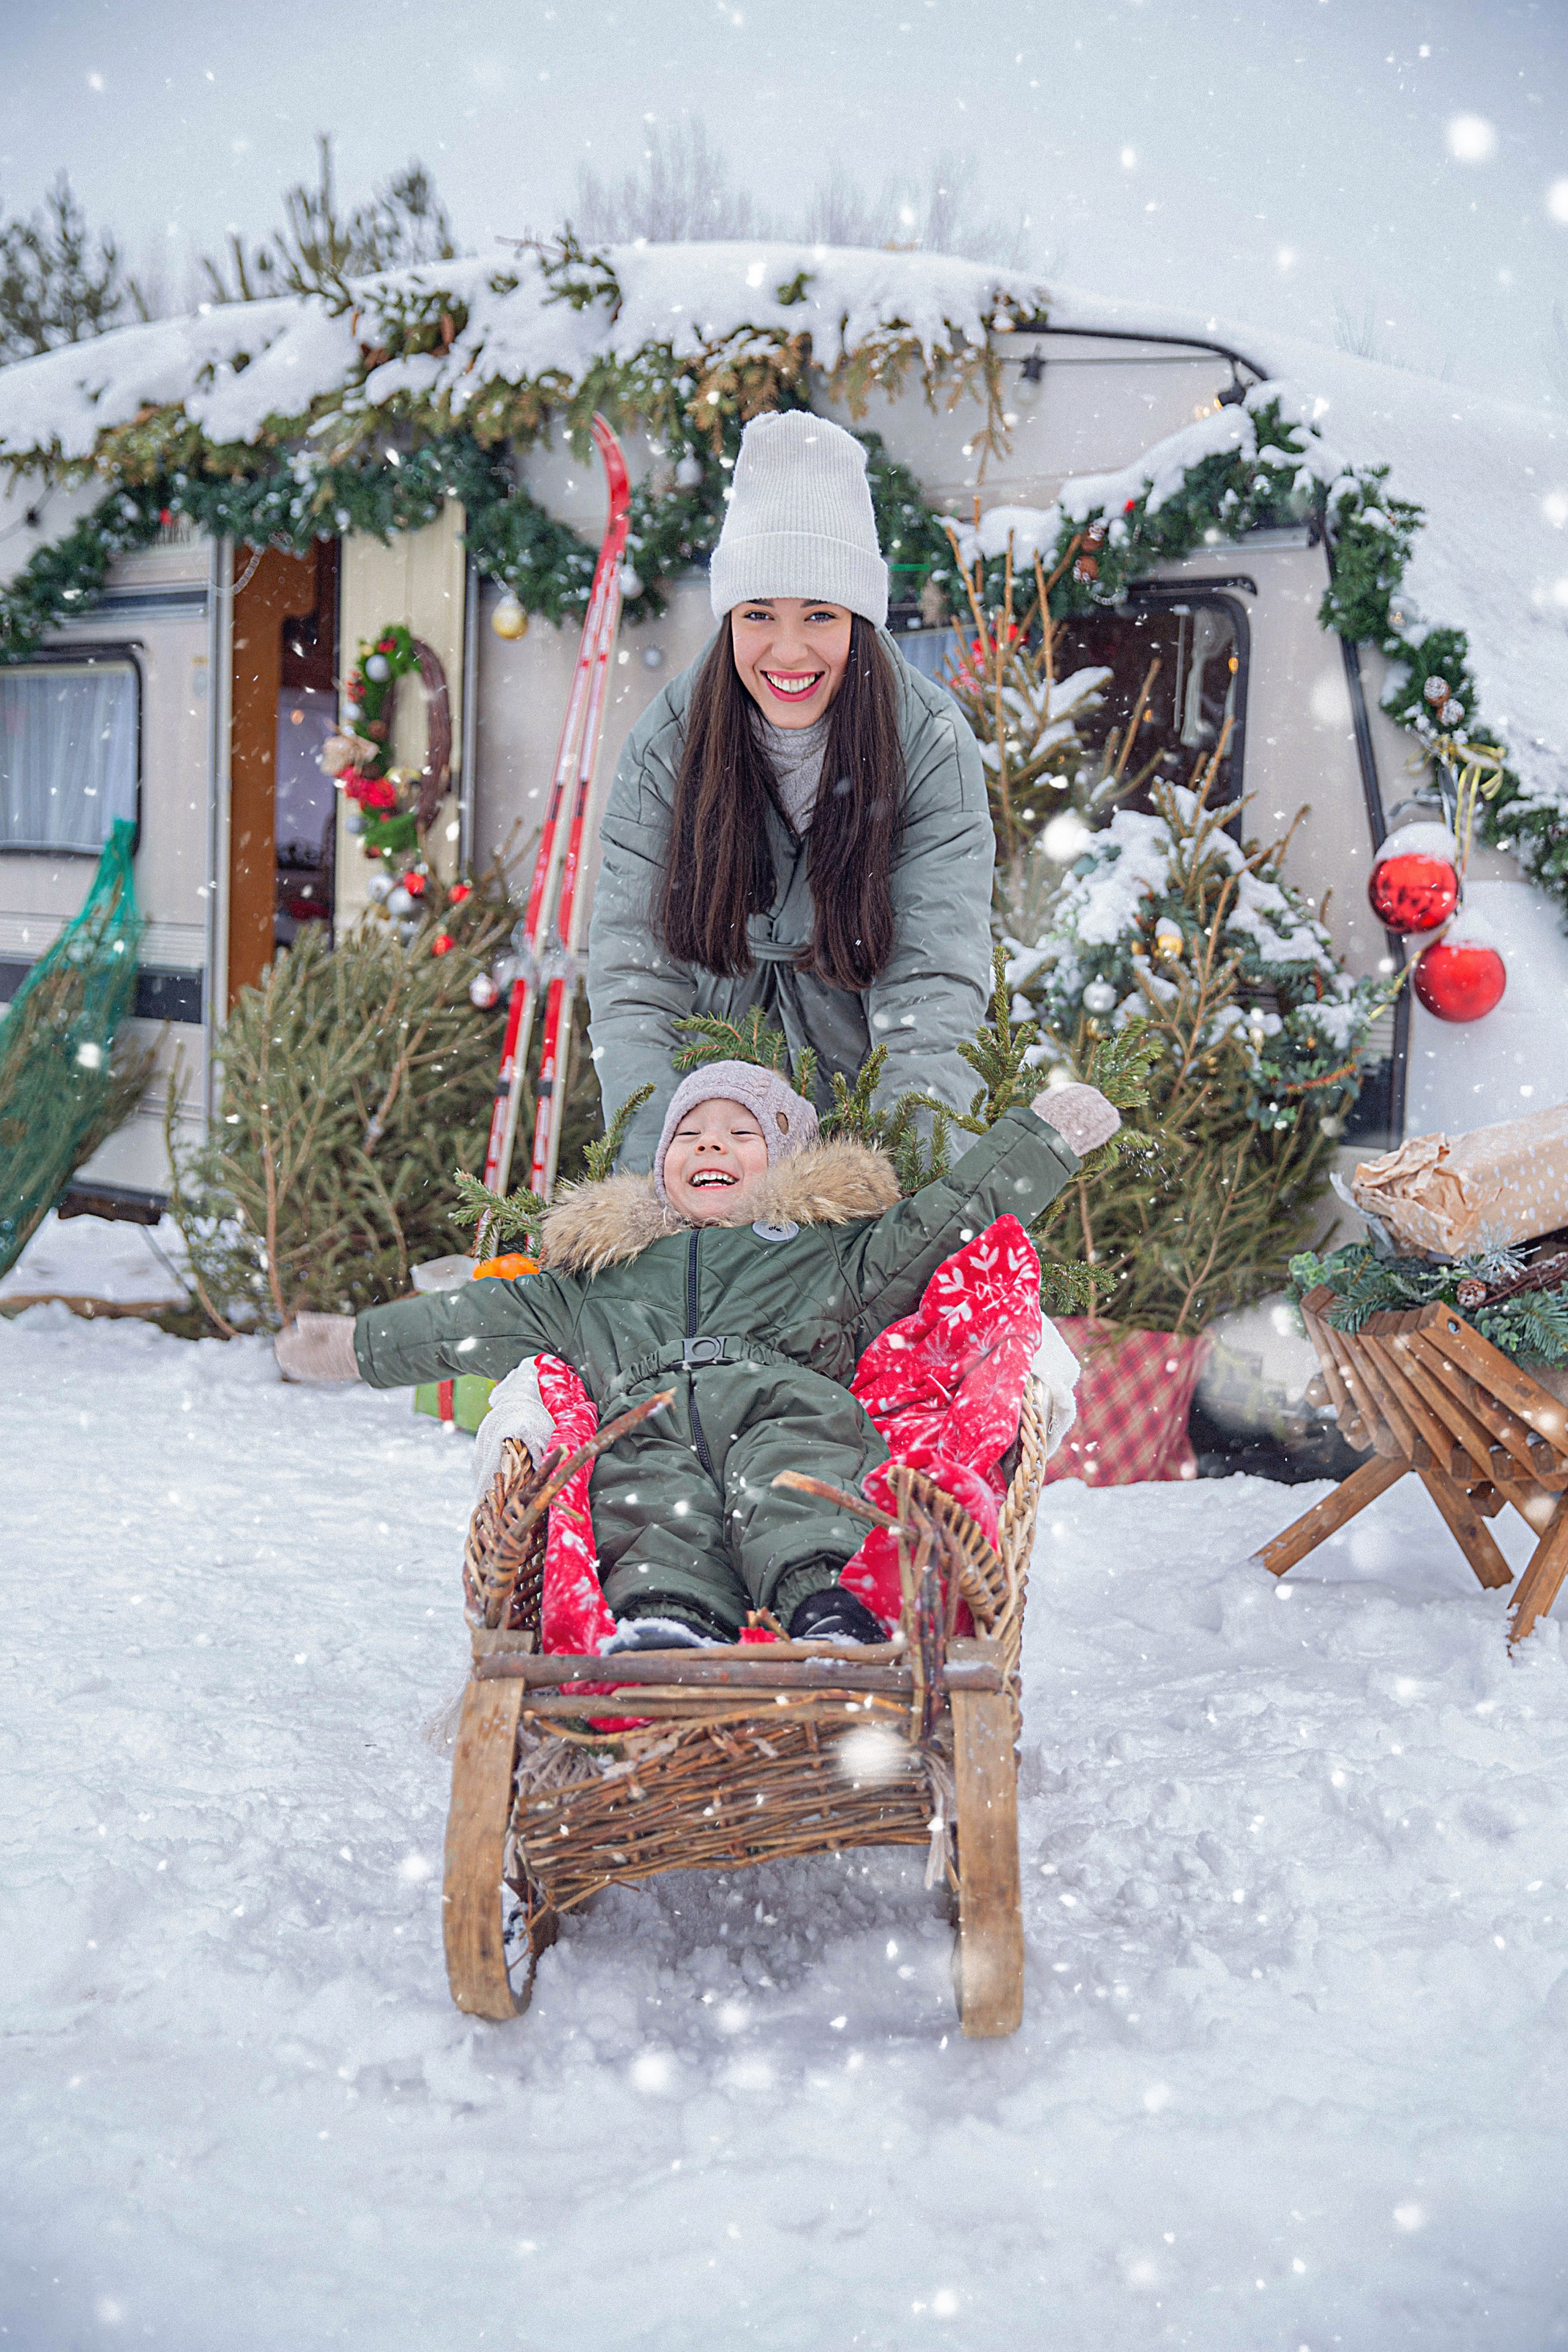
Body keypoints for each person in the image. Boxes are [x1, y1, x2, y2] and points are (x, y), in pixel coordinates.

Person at [276, 1066, 1119, 1649]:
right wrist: (354, 1345)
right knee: (647, 1506)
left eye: (740, 1133)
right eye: (691, 1134)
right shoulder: (600, 1280)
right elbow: (477, 1315)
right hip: (646, 1422)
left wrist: (1041, 1140)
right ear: (661, 1167)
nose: (710, 1146)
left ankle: (827, 1613)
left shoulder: (827, 1254)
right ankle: (667, 1626)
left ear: (788, 1162)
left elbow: (945, 1217)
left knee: (793, 1480)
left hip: (780, 1405)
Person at [586, 408, 995, 1172]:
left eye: (818, 614)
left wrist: (906, 1185)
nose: (788, 649)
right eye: (759, 615)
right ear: (730, 619)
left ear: (859, 623)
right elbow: (636, 980)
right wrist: (661, 1175)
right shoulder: (666, 745)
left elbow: (933, 985)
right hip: (704, 1126)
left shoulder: (927, 744)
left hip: (864, 1119)